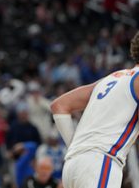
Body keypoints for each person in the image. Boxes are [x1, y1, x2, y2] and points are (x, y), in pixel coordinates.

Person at [50, 31, 139, 188]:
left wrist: (76, 148)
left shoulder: (112, 78)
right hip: (100, 162)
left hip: (73, 165)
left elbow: (60, 105)